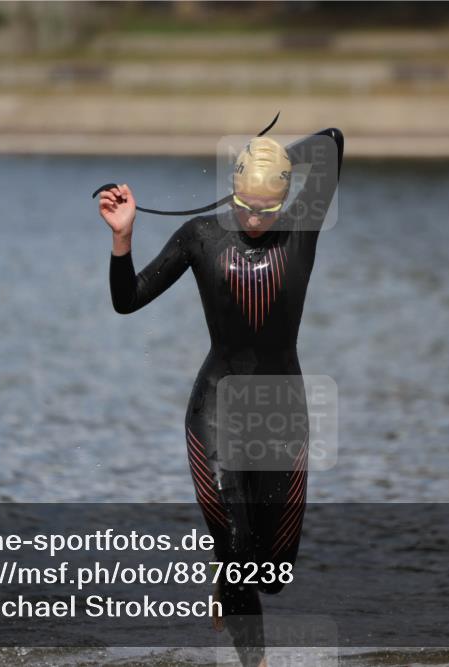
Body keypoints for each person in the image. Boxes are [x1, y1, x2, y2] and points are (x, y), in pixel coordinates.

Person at [99, 127, 343, 667]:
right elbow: (127, 300)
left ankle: (231, 580)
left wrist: (273, 155)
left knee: (271, 572)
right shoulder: (201, 236)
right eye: (245, 206)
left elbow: (332, 142)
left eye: (266, 207)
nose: (254, 219)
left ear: (284, 199)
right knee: (236, 553)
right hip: (216, 411)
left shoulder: (302, 228)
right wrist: (122, 239)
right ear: (231, 193)